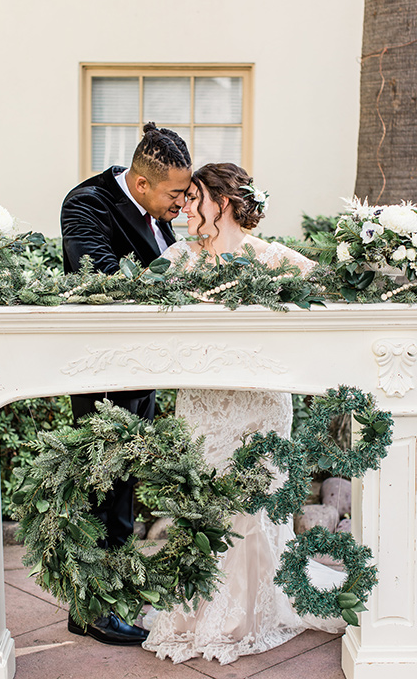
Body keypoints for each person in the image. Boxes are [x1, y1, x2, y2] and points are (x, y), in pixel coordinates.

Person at [142, 163, 344, 664]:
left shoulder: (271, 258)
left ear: (223, 202)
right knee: (203, 506)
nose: (184, 207)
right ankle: (197, 610)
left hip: (261, 407)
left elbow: (330, 296)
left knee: (253, 510)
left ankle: (248, 614)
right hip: (203, 405)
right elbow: (137, 310)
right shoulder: (177, 259)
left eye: (193, 198)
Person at [60, 123, 192, 645]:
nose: (184, 201)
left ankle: (99, 599)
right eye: (177, 193)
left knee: (123, 489)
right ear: (142, 185)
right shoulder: (87, 203)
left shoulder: (156, 211)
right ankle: (92, 611)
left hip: (140, 369)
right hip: (101, 373)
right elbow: (102, 280)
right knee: (102, 489)